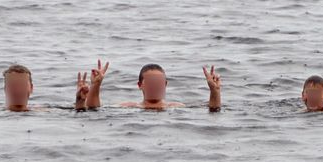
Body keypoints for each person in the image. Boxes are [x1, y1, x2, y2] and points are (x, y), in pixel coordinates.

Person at [85, 60, 222, 112]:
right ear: (140, 85)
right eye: (150, 81)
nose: (155, 85)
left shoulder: (176, 107)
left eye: (158, 81)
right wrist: (96, 85)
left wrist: (214, 91)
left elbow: (214, 109)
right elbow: (93, 109)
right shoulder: (129, 107)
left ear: (165, 84)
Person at [0, 64, 89, 112]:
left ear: (31, 88)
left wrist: (80, 101)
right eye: (13, 85)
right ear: (5, 89)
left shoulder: (44, 111)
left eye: (22, 85)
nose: (17, 90)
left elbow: (80, 114)